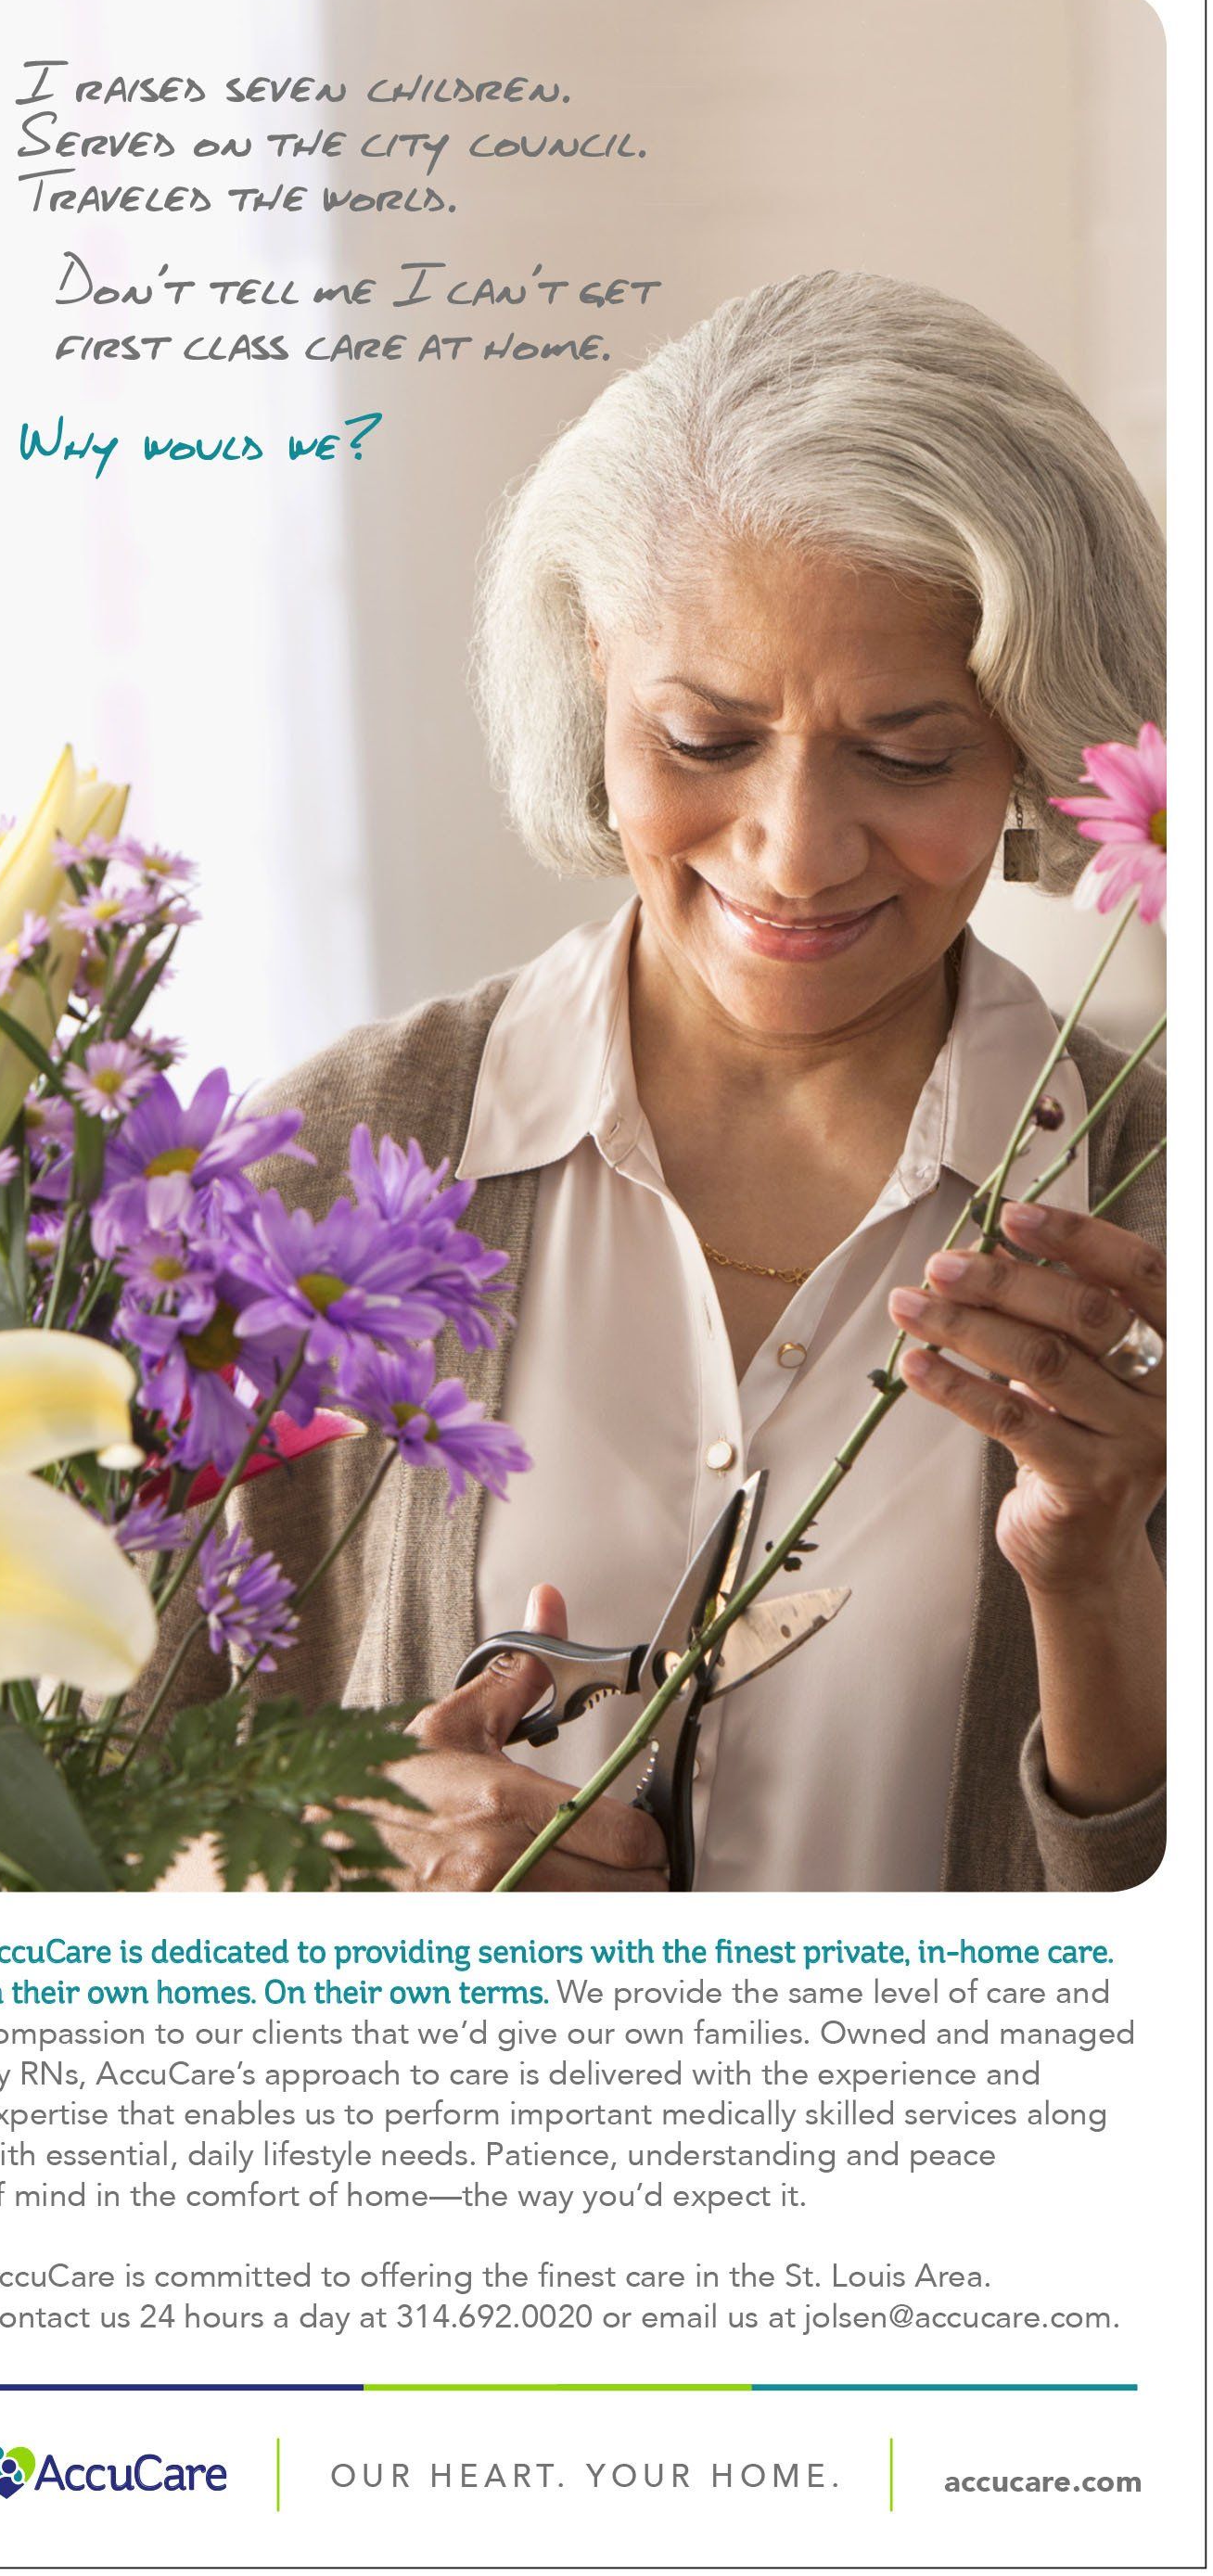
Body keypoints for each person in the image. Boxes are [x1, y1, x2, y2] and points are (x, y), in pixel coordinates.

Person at [158, 271, 1168, 1894]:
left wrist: (1097, 1589)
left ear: (1035, 743)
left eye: (907, 754)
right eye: (702, 738)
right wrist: (316, 1870)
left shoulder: (1155, 1205)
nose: (793, 852)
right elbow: (36, 1856)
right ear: (591, 682)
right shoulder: (323, 1172)